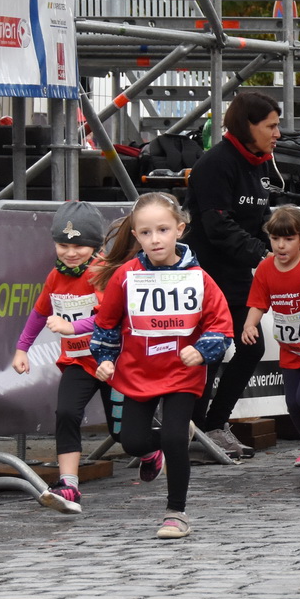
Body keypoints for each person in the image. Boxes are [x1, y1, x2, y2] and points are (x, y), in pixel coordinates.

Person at [90, 193, 234, 540]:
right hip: (138, 371)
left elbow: (220, 324)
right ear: (136, 236)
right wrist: (106, 359)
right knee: (131, 440)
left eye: (163, 230)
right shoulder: (126, 275)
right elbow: (106, 322)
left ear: (179, 230)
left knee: (173, 437)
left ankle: (176, 512)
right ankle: (157, 448)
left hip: (182, 373)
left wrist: (201, 351)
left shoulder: (199, 278)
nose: (155, 239)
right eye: (146, 232)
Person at [184, 90, 282, 459]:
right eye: (270, 126)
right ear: (247, 126)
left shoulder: (260, 163)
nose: (277, 133)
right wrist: (262, 253)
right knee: (209, 352)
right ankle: (193, 428)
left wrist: (283, 245)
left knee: (251, 345)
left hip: (240, 276)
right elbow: (217, 225)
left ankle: (213, 424)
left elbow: (257, 222)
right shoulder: (215, 163)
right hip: (207, 275)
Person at [10, 202, 108, 516]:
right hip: (78, 362)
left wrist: (71, 326)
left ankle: (155, 445)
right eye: (63, 245)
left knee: (125, 433)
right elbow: (40, 313)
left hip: (112, 362)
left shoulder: (102, 272)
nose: (70, 252)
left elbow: (108, 318)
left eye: (78, 246)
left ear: (95, 245)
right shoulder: (55, 276)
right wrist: (22, 348)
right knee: (66, 413)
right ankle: (69, 484)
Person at [242, 205, 300, 467]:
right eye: (275, 239)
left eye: (288, 239)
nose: (281, 245)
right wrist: (249, 325)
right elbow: (258, 302)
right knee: (293, 403)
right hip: (290, 349)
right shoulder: (265, 269)